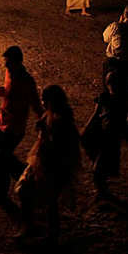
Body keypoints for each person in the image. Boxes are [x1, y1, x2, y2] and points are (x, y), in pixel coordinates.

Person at [16, 85, 80, 241]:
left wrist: (44, 131)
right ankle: (39, 228)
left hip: (52, 165)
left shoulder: (61, 120)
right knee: (39, 196)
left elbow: (58, 146)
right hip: (44, 161)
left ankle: (45, 232)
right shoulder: (54, 114)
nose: (43, 102)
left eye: (45, 99)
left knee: (42, 197)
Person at [0, 46, 43, 204]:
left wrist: (44, 120)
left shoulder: (27, 81)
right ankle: (1, 191)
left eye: (8, 62)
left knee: (3, 160)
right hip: (1, 123)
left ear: (18, 62)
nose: (5, 65)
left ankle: (24, 180)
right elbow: (8, 90)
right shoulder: (9, 73)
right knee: (1, 159)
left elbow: (35, 104)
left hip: (14, 128)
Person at [82, 71, 128, 196]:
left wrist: (125, 127)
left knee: (100, 165)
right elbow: (96, 114)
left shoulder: (123, 99)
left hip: (112, 136)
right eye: (110, 82)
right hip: (102, 133)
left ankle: (101, 189)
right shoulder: (104, 97)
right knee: (100, 160)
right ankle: (102, 188)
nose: (112, 85)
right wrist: (86, 127)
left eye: (114, 83)